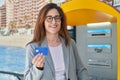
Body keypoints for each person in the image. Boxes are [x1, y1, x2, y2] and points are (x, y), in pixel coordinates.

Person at [24, 3, 90, 80]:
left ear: (61, 21)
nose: (54, 22)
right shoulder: (33, 47)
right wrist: (38, 69)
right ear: (42, 21)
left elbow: (81, 70)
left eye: (57, 18)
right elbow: (27, 78)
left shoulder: (70, 43)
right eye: (49, 18)